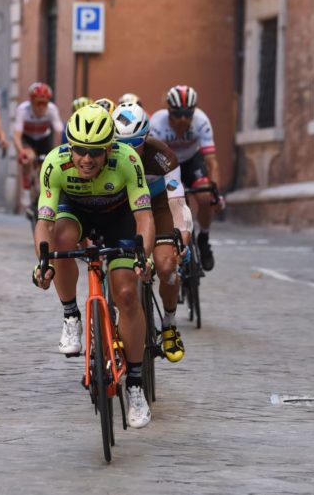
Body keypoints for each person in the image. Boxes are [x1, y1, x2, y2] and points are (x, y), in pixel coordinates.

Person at [32, 104, 155, 428]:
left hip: (119, 219)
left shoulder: (128, 160)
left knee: (127, 294)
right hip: (76, 213)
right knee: (60, 239)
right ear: (69, 147)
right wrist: (42, 263)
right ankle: (71, 314)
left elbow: (144, 217)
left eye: (96, 152)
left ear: (109, 148)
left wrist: (145, 256)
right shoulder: (55, 163)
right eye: (80, 151)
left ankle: (135, 384)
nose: (87, 159)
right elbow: (44, 222)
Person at [113, 102, 192, 363]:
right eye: (120, 144)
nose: (127, 151)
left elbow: (177, 203)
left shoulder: (163, 156)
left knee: (166, 265)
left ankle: (169, 324)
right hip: (124, 207)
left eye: (134, 144)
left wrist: (183, 235)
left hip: (158, 205)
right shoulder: (107, 155)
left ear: (146, 138)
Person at [149, 85, 224, 271]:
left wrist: (215, 192)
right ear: (168, 112)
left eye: (188, 114)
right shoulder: (157, 125)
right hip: (166, 162)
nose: (183, 119)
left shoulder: (201, 121)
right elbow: (153, 160)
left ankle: (204, 239)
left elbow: (212, 162)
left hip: (192, 160)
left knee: (205, 196)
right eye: (177, 114)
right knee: (174, 198)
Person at [12, 82, 63, 217]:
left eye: (44, 103)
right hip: (27, 138)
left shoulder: (52, 109)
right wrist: (21, 151)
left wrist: (59, 150)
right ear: (31, 102)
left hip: (43, 139)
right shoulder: (23, 109)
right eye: (38, 103)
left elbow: (59, 132)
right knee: (29, 157)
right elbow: (16, 136)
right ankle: (26, 189)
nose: (41, 107)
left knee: (47, 165)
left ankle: (43, 193)